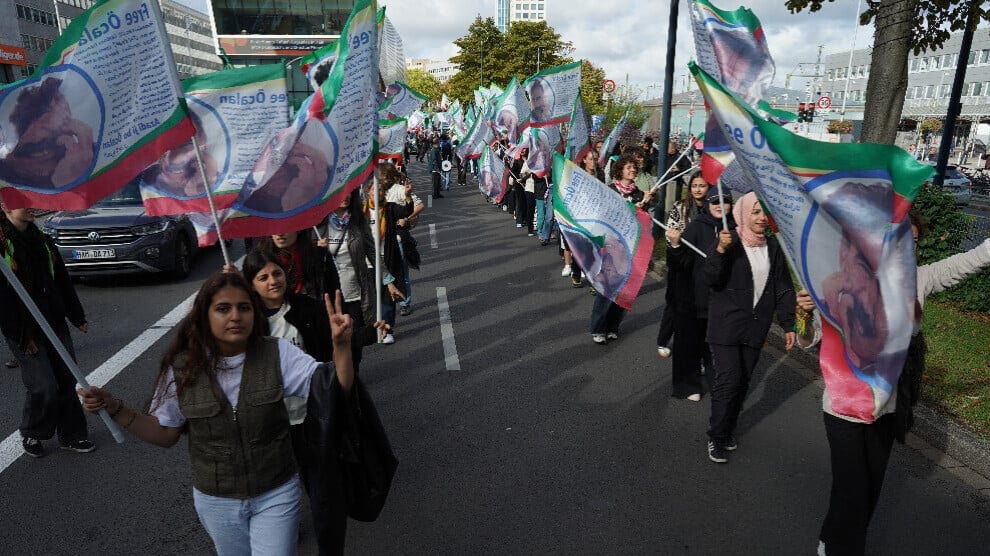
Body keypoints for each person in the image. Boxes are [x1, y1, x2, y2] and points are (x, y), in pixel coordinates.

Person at [78, 273, 355, 555]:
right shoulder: (183, 367)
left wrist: (341, 347)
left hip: (276, 491)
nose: (236, 316)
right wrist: (115, 408)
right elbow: (165, 433)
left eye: (244, 307)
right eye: (223, 308)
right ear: (204, 315)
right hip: (216, 501)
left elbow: (331, 390)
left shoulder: (278, 352)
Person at [800, 213, 990, 556]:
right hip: (843, 407)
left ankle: (835, 536)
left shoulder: (918, 281)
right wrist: (802, 315)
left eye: (913, 243)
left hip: (886, 408)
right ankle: (842, 547)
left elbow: (964, 263)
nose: (908, 249)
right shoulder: (838, 282)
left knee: (871, 485)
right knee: (852, 486)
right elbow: (810, 338)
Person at [703, 192, 797, 463]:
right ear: (743, 214)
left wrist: (788, 323)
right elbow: (711, 278)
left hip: (755, 327)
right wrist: (720, 250)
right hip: (726, 326)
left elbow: (783, 287)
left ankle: (728, 429)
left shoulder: (773, 246)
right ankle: (716, 436)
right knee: (729, 380)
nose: (761, 218)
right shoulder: (728, 241)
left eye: (764, 212)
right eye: (755, 212)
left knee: (743, 382)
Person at [1, 203, 94, 457]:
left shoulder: (43, 240)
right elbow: (3, 300)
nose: (30, 207)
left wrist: (76, 316)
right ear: (6, 207)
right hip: (24, 328)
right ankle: (33, 431)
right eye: (22, 203)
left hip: (53, 320)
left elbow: (61, 279)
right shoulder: (3, 247)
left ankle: (72, 435)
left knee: (67, 378)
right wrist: (21, 336)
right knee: (43, 384)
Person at [664, 186, 727, 402]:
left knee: (716, 348)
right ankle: (689, 384)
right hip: (694, 298)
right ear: (708, 204)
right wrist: (675, 246)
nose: (720, 206)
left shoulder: (734, 229)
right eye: (715, 201)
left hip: (721, 300)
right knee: (689, 344)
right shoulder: (697, 227)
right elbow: (678, 263)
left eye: (725, 201)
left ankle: (719, 384)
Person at [588, 153, 655, 344]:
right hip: (611, 246)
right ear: (620, 170)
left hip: (631, 248)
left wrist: (645, 203)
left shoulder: (639, 194)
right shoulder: (610, 191)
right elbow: (604, 216)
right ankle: (598, 328)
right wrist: (630, 209)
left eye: (634, 167)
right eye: (628, 167)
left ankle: (613, 326)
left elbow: (644, 222)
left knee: (625, 289)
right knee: (607, 288)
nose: (632, 170)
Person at [0, 77, 95, 189]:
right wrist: (65, 183)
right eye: (46, 110)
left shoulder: (87, 154)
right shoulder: (6, 174)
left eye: (59, 100)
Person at [656, 172, 711, 360]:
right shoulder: (680, 207)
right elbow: (669, 232)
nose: (698, 189)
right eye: (694, 185)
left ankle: (699, 353)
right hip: (681, 262)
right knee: (674, 305)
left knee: (699, 311)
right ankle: (663, 340)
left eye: (702, 186)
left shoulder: (713, 208)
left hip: (702, 266)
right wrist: (677, 242)